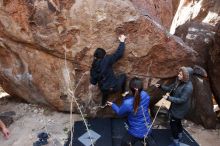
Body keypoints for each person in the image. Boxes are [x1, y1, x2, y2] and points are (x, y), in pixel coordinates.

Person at [107, 77, 153, 146]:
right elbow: (138, 101)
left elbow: (120, 112)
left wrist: (113, 105)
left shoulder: (128, 103)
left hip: (135, 132)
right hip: (147, 128)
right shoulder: (146, 95)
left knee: (124, 144)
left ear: (132, 89)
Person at [155, 66, 193, 146]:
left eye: (181, 74)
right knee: (177, 122)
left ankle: (176, 142)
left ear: (186, 76)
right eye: (179, 73)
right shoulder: (178, 81)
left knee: (173, 124)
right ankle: (179, 135)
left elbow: (182, 100)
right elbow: (170, 88)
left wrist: (168, 98)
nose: (178, 75)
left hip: (181, 109)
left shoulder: (188, 87)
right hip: (175, 106)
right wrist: (161, 87)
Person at [90, 34, 127, 106]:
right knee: (123, 76)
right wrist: (122, 41)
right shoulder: (107, 60)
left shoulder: (93, 66)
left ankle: (103, 105)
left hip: (103, 89)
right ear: (104, 56)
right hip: (114, 87)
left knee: (105, 93)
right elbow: (119, 54)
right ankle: (123, 93)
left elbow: (93, 82)